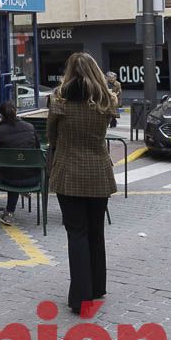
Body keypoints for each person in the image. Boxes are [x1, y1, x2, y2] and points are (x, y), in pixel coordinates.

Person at [47, 52, 118, 315]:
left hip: (69, 172)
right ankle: (98, 286)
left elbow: (51, 136)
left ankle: (80, 297)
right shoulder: (105, 100)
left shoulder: (59, 100)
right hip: (99, 171)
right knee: (96, 231)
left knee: (76, 233)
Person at [0, 100, 41, 226]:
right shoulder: (30, 127)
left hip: (8, 179)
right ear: (16, 112)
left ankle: (9, 212)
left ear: (1, 115)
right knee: (16, 167)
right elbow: (37, 150)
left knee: (11, 169)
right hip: (32, 179)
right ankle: (21, 194)